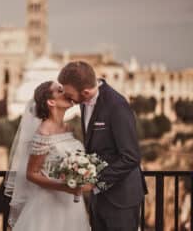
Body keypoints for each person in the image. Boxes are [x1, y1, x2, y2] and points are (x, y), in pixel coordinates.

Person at [58, 61, 148, 231]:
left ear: (85, 92)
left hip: (121, 199)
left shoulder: (117, 105)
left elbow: (131, 157)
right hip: (99, 199)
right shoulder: (84, 103)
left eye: (69, 94)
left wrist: (95, 182)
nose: (67, 98)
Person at [4, 80, 90, 231]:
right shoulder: (44, 132)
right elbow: (31, 174)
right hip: (47, 208)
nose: (67, 92)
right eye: (60, 90)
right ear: (51, 102)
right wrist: (64, 187)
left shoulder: (67, 127)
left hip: (71, 206)